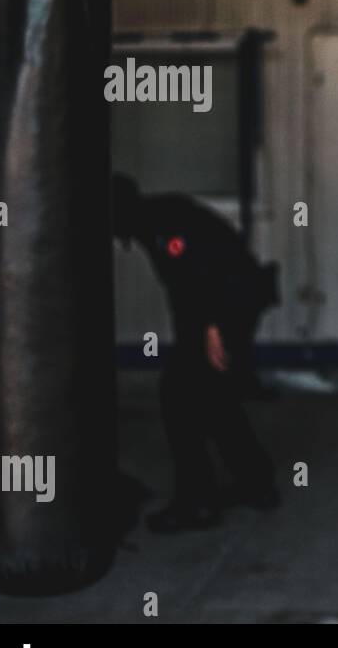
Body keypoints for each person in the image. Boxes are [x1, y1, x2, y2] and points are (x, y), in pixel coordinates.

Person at [111, 174, 280, 533]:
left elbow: (202, 273)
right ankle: (257, 483)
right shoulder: (153, 218)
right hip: (221, 308)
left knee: (178, 397)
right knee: (215, 397)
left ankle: (197, 503)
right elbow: (184, 285)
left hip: (226, 307)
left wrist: (214, 329)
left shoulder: (162, 224)